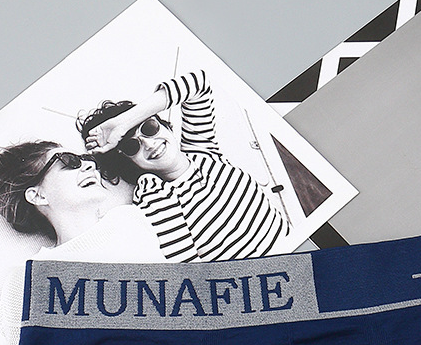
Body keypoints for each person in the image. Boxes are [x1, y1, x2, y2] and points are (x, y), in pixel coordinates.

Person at [79, 69, 290, 263]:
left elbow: (199, 83)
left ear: (163, 124)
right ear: (128, 162)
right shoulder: (153, 194)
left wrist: (124, 122)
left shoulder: (202, 148)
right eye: (131, 146)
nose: (149, 144)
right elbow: (188, 269)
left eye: (149, 127)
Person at [0, 141, 165, 345]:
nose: (90, 165)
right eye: (69, 162)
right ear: (38, 195)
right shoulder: (28, 282)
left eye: (86, 159)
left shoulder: (133, 218)